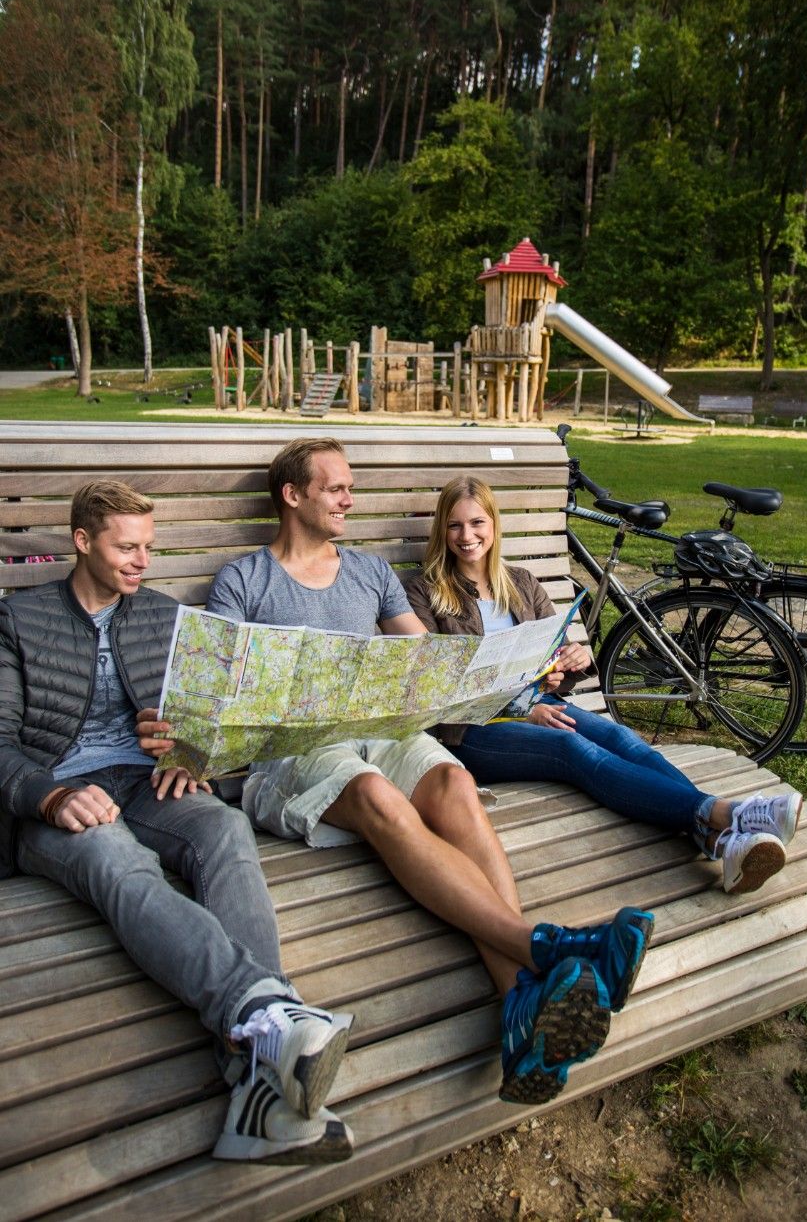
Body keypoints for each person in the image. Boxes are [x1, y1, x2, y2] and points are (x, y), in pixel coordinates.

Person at [142, 438, 655, 1107]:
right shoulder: (244, 580)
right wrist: (187, 747)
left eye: (350, 487)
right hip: (291, 755)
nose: (349, 499)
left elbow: (423, 659)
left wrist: (503, 679)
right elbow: (210, 686)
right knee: (380, 798)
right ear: (292, 496)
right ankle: (547, 949)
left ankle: (519, 1005)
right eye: (335, 488)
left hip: (381, 733)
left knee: (453, 785)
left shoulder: (370, 572)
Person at [0, 479, 355, 1166]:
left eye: (149, 548)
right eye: (125, 547)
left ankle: (257, 1076)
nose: (142, 561)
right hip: (56, 798)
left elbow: (203, 723)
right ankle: (266, 1015)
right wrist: (49, 797)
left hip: (143, 781)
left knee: (223, 829)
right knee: (116, 858)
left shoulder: (161, 618)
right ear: (82, 542)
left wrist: (190, 753)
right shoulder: (19, 620)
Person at [403, 476, 803, 896]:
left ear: (494, 525)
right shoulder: (424, 591)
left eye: (477, 523)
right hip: (472, 730)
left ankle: (717, 839)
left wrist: (569, 662)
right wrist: (526, 709)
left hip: (542, 703)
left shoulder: (521, 583)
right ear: (442, 531)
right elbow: (438, 687)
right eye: (455, 526)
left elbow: (552, 659)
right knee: (572, 749)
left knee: (619, 737)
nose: (467, 536)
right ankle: (730, 812)